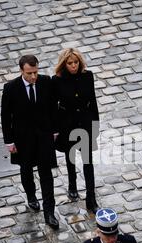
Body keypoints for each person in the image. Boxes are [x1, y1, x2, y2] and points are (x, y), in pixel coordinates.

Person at [0, 54, 59, 229]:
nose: (33, 76)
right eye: (29, 73)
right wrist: (9, 141)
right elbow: (6, 116)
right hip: (23, 139)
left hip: (44, 137)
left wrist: (55, 130)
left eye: (35, 72)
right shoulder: (11, 88)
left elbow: (52, 107)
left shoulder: (46, 81)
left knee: (46, 175)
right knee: (26, 171)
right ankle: (31, 196)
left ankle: (49, 212)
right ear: (21, 71)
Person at [52, 48, 100, 214]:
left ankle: (91, 197)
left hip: (85, 122)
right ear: (64, 64)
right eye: (70, 63)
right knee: (70, 156)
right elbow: (54, 106)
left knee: (88, 161)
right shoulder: (57, 80)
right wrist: (56, 129)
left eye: (76, 62)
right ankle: (72, 185)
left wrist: (95, 125)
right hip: (67, 124)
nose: (73, 66)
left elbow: (92, 101)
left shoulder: (88, 76)